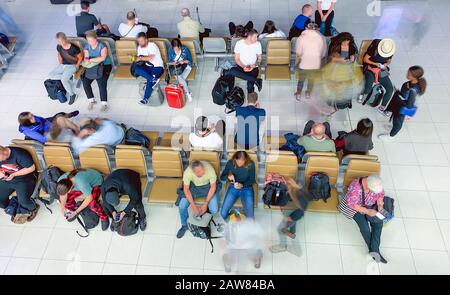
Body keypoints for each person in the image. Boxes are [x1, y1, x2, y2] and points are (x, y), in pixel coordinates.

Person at [338, 175, 388, 264]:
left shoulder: (375, 182)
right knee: (364, 227)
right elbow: (351, 204)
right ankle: (375, 251)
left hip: (369, 205)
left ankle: (374, 250)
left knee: (378, 223)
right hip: (355, 208)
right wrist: (367, 211)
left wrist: (380, 204)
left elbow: (380, 194)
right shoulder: (355, 188)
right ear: (369, 186)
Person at [379, 66, 427, 141]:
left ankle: (392, 136)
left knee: (398, 122)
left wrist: (400, 97)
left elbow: (409, 105)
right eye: (408, 72)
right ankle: (393, 127)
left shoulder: (413, 90)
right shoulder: (411, 83)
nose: (407, 74)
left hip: (402, 108)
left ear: (414, 77)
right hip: (399, 104)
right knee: (395, 118)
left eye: (409, 74)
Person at [176, 160, 220, 239]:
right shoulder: (188, 172)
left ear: (203, 167)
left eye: (202, 170)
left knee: (214, 209)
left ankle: (205, 217)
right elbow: (186, 189)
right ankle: (184, 225)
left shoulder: (210, 170)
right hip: (194, 187)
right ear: (193, 172)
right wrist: (193, 206)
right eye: (198, 172)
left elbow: (213, 187)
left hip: (208, 186)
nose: (201, 173)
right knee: (182, 206)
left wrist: (206, 204)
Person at [0, 145, 39, 223]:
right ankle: (14, 206)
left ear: (3, 153)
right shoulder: (1, 156)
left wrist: (13, 175)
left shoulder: (19, 154)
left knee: (24, 201)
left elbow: (31, 168)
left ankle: (33, 208)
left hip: (24, 179)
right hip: (7, 179)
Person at [270, 179, 310, 253]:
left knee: (280, 229)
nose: (286, 187)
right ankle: (292, 233)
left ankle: (282, 246)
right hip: (289, 214)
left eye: (288, 186)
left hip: (292, 216)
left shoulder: (299, 196)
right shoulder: (293, 192)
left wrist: (290, 218)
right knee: (293, 224)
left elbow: (300, 212)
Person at [358, 38, 396, 114]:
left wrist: (386, 64)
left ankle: (382, 107)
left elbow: (389, 60)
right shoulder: (374, 47)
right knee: (368, 87)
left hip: (381, 70)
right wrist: (376, 64)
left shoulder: (389, 51)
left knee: (390, 89)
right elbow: (365, 59)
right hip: (370, 68)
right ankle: (362, 94)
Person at [81, 30, 113, 112]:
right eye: (88, 40)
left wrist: (90, 60)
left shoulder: (102, 47)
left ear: (96, 39)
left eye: (91, 40)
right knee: (85, 81)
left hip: (104, 66)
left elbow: (102, 58)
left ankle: (104, 103)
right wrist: (88, 59)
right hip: (93, 67)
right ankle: (91, 100)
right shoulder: (87, 47)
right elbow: (86, 57)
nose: (90, 42)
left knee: (101, 82)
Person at [294, 23, 327, 101]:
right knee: (311, 79)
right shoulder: (321, 38)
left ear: (306, 28)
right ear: (317, 29)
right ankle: (308, 93)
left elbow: (298, 52)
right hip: (315, 63)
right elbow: (323, 52)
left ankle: (298, 94)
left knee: (301, 80)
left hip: (304, 63)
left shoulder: (301, 38)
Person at [220, 151, 256, 220]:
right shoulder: (230, 163)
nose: (239, 164)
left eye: (241, 162)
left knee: (251, 219)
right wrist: (228, 176)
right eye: (237, 162)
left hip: (247, 188)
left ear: (245, 160)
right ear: (234, 159)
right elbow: (222, 177)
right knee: (223, 214)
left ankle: (242, 215)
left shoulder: (251, 164)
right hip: (234, 187)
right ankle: (235, 215)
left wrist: (242, 185)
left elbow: (251, 180)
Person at [48, 32, 82, 105]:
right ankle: (68, 78)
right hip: (63, 65)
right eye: (59, 41)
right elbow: (59, 54)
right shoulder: (59, 46)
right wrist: (60, 63)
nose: (61, 43)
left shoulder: (73, 48)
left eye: (62, 41)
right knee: (51, 75)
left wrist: (77, 66)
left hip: (72, 65)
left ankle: (72, 94)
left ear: (65, 39)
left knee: (63, 80)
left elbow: (80, 57)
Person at [228, 29, 263, 94]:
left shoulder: (258, 44)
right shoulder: (239, 43)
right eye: (255, 37)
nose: (256, 39)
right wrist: (244, 67)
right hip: (241, 67)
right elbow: (237, 59)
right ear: (249, 37)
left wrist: (254, 65)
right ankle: (256, 80)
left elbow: (260, 59)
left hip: (253, 68)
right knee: (231, 71)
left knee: (250, 86)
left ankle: (251, 101)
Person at [134, 32, 164, 105]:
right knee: (136, 68)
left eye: (141, 41)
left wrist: (140, 58)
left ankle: (145, 99)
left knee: (149, 80)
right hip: (148, 67)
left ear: (146, 40)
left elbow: (151, 57)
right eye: (139, 41)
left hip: (157, 67)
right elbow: (139, 60)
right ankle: (153, 79)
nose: (140, 43)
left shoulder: (152, 45)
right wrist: (136, 59)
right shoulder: (139, 48)